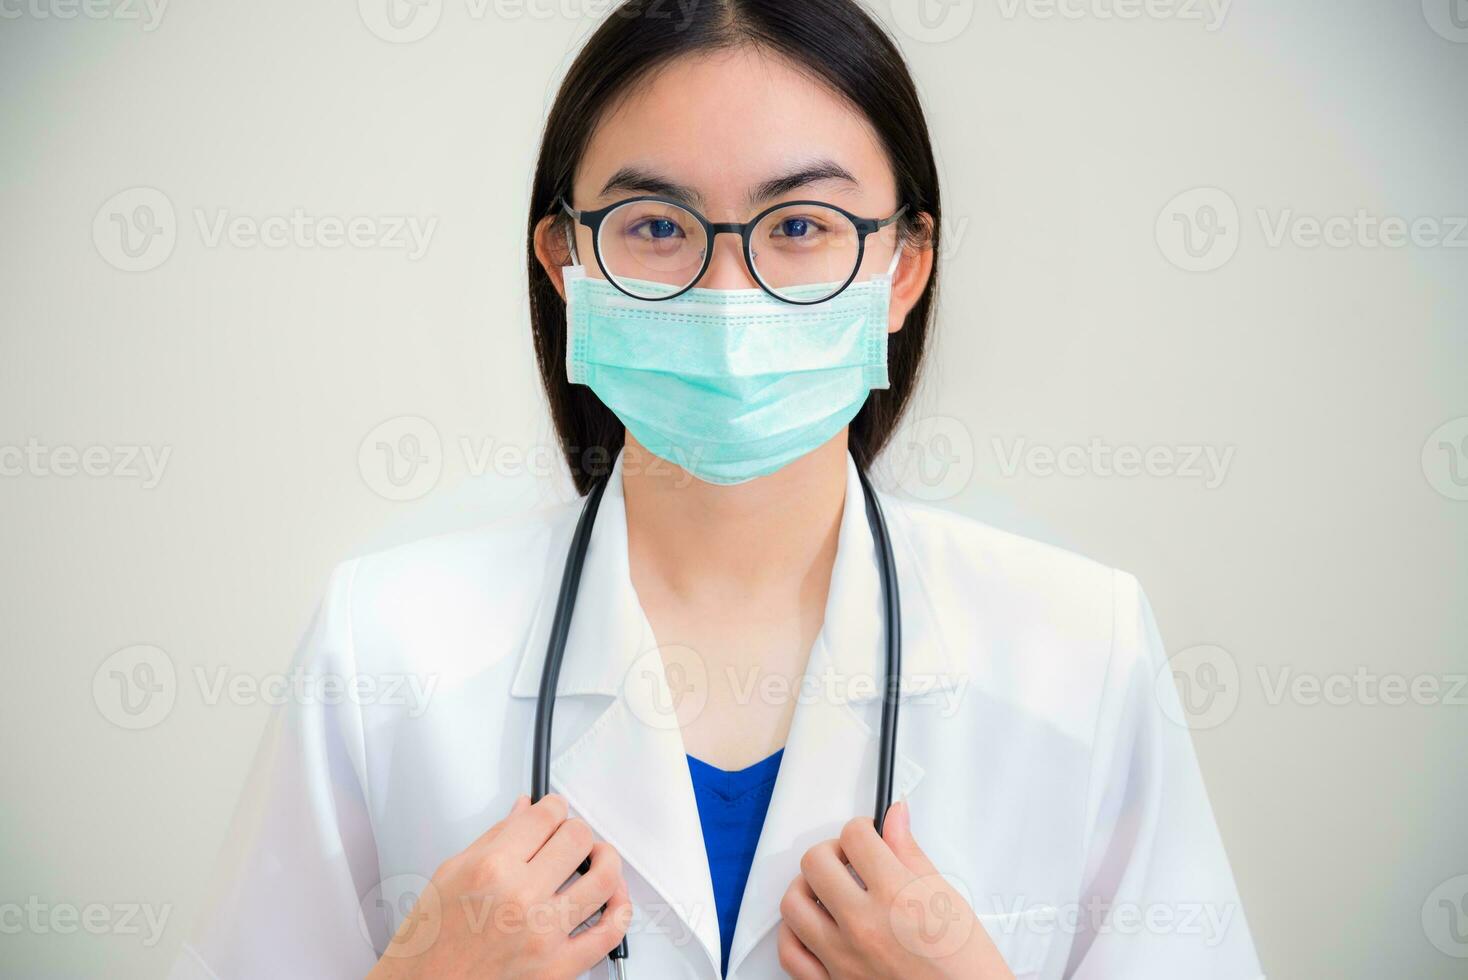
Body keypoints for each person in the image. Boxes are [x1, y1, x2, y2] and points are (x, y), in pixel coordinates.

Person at [170, 1, 1262, 977]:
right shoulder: (385, 643)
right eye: (654, 226)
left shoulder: (1079, 643)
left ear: (905, 268)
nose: (729, 294)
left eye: (798, 227)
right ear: (564, 263)